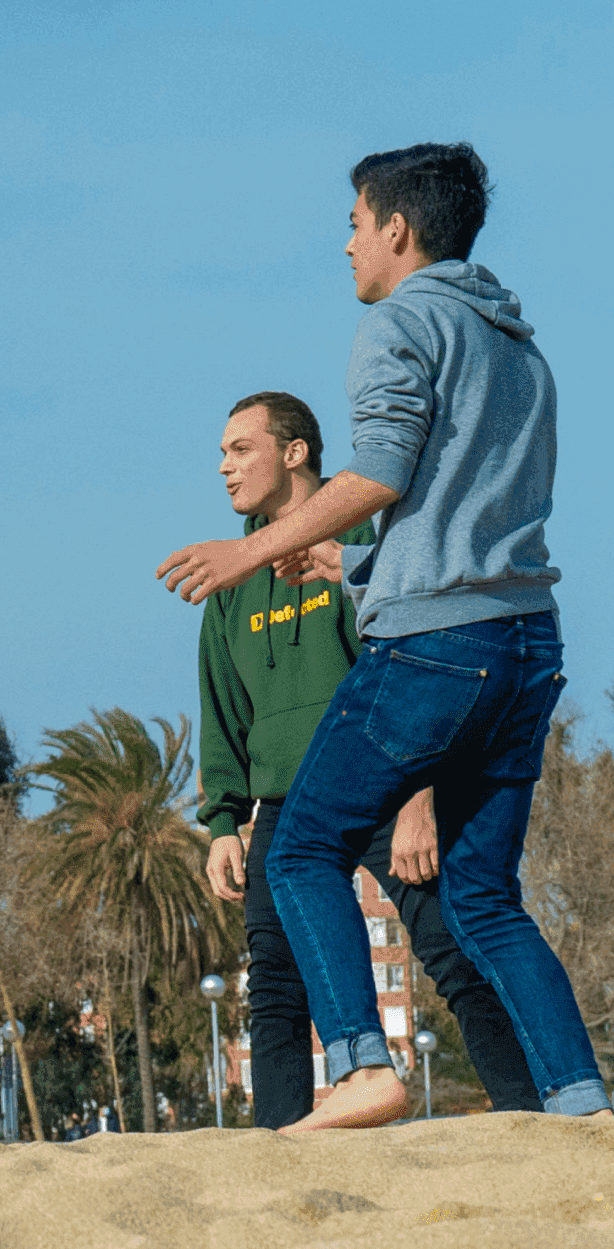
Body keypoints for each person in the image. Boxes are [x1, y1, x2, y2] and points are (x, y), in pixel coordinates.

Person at [160, 143, 610, 1130]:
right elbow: (471, 513)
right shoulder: (517, 346)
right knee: (483, 902)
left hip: (433, 649)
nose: (347, 243)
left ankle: (362, 1067)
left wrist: (247, 554)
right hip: (526, 642)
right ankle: (578, 1104)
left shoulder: (399, 322)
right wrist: (354, 567)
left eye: (355, 224)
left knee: (299, 849)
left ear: (395, 229)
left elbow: (381, 475)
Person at [195, 391, 540, 1127]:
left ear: (295, 452)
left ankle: (526, 1114)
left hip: (385, 783)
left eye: (239, 448)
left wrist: (420, 796)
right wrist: (224, 819)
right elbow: (223, 707)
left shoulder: (367, 539)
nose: (223, 467)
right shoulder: (232, 577)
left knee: (454, 952)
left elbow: (417, 664)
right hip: (286, 804)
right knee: (276, 989)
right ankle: (281, 1145)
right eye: (222, 453)